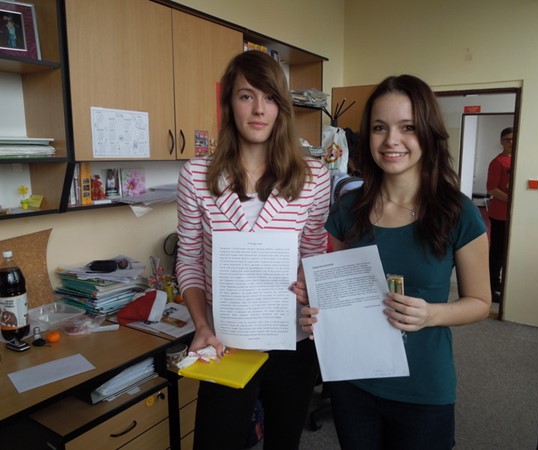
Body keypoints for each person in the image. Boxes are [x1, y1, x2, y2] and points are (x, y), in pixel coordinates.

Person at [298, 75, 491, 450]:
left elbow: (481, 302)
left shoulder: (458, 213)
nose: (391, 140)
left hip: (422, 386)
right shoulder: (348, 209)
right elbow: (339, 292)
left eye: (408, 127)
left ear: (428, 133)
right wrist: (315, 309)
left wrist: (430, 314)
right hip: (353, 379)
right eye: (379, 128)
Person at [175, 50, 330, 450]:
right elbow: (189, 259)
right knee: (215, 442)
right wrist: (202, 326)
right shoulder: (197, 175)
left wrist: (309, 284)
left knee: (283, 442)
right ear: (229, 104)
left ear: (281, 107)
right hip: (224, 341)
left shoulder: (313, 177)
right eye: (246, 96)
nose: (259, 109)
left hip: (292, 339)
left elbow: (314, 255)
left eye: (270, 97)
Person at [486, 127, 513, 302]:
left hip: (512, 215)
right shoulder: (498, 162)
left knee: (507, 251)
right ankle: (491, 286)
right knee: (497, 252)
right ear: (502, 141)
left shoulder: (517, 159)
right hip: (499, 214)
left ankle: (500, 283)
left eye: (513, 139)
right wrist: (512, 200)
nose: (511, 142)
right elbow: (492, 189)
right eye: (507, 139)